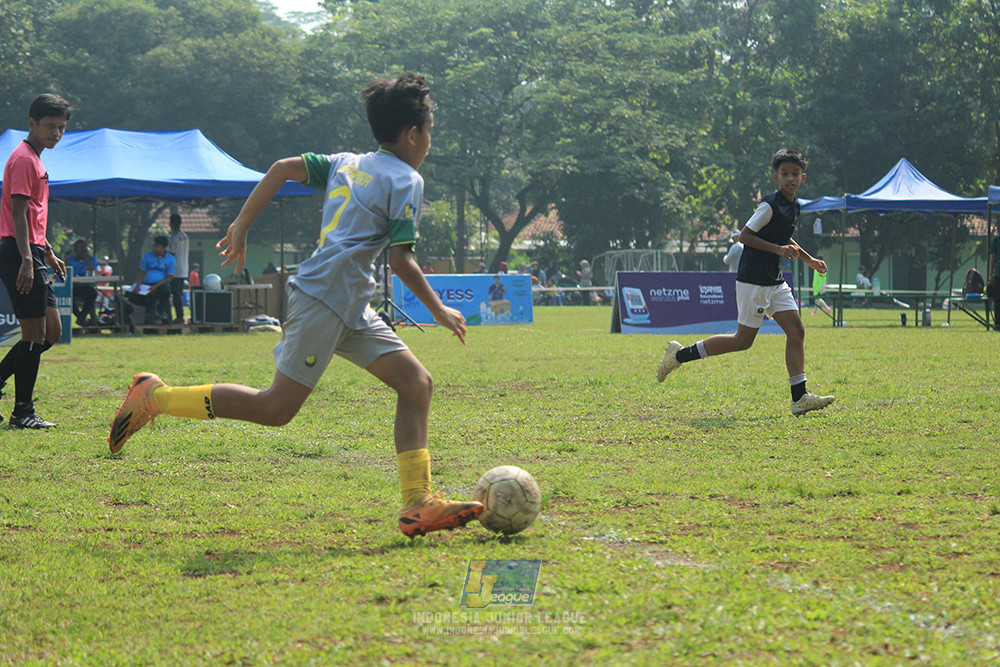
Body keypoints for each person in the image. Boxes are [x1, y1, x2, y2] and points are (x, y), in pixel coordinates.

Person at [109, 73, 482, 538]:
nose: (428, 142)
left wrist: (242, 225)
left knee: (417, 384)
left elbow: (283, 167)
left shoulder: (347, 162)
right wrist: (439, 310)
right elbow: (401, 260)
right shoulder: (407, 179)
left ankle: (417, 503)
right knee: (275, 408)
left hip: (349, 302)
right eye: (429, 132)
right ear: (412, 134)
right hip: (326, 298)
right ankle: (156, 397)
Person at [656, 147, 834, 416]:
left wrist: (808, 259)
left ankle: (799, 398)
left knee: (796, 331)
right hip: (753, 280)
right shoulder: (769, 205)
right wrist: (778, 250)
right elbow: (745, 236)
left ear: (803, 178)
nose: (790, 178)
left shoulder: (794, 206)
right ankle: (679, 355)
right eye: (785, 173)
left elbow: (782, 236)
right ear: (776, 177)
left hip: (774, 281)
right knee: (742, 340)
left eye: (795, 174)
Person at [0, 93, 72, 429]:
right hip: (19, 252)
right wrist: (28, 260)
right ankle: (22, 413)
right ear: (32, 123)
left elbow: (32, 215)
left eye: (61, 128)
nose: (56, 133)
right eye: (50, 126)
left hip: (33, 250)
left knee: (51, 332)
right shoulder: (24, 159)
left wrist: (48, 251)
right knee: (33, 334)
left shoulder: (36, 158)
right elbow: (17, 214)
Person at [129, 235, 175, 325]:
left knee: (164, 291)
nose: (155, 248)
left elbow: (169, 278)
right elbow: (142, 273)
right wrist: (138, 285)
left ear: (163, 247)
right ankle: (150, 317)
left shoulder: (170, 259)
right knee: (133, 296)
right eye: (154, 246)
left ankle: (160, 312)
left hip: (161, 285)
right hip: (147, 285)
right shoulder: (147, 256)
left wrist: (156, 286)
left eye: (157, 246)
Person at [66, 239, 99, 326]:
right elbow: (67, 271)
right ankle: (80, 317)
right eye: (79, 248)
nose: (81, 250)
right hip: (75, 286)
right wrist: (66, 259)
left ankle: (82, 317)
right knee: (68, 296)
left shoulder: (92, 259)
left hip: (87, 286)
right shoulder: (71, 260)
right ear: (75, 250)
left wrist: (87, 260)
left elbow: (93, 271)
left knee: (92, 294)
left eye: (83, 247)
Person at [167, 213, 189, 323]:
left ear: (171, 223)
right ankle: (180, 316)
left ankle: (179, 317)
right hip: (184, 268)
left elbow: (171, 253)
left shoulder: (173, 237)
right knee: (179, 293)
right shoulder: (185, 236)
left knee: (175, 294)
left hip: (175, 269)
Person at [990, 233, 999, 330]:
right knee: (998, 300)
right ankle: (998, 323)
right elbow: (993, 257)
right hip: (998, 275)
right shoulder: (997, 239)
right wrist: (990, 274)